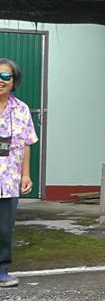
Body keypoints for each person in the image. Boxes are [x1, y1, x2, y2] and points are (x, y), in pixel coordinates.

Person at [0, 58, 37, 288]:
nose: (1, 81)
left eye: (6, 77)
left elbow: (26, 143)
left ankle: (2, 270)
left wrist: (26, 175)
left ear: (14, 81)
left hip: (8, 180)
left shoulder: (21, 109)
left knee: (4, 228)